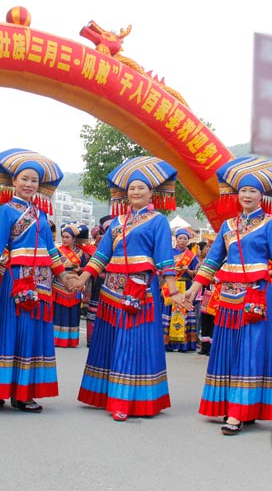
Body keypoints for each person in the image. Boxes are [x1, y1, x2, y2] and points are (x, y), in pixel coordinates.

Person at [184, 156, 272, 435]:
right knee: (228, 348)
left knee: (250, 350)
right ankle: (230, 405)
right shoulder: (228, 226)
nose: (247, 195)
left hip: (255, 294)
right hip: (228, 296)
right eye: (243, 191)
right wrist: (192, 290)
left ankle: (239, 412)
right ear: (236, 195)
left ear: (262, 196)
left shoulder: (270, 225)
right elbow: (212, 261)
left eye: (253, 191)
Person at [73, 156, 188, 422]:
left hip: (141, 290)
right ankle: (105, 395)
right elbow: (101, 255)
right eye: (132, 188)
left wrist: (173, 290)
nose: (135, 192)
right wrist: (82, 279)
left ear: (152, 194)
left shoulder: (158, 220)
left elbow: (164, 258)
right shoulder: (117, 222)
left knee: (132, 343)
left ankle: (125, 400)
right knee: (111, 341)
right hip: (111, 289)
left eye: (141, 188)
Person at [0, 148, 72, 413]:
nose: (29, 184)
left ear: (40, 186)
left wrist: (65, 278)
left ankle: (22, 392)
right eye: (24, 179)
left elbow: (51, 251)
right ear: (13, 182)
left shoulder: (41, 215)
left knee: (32, 334)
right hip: (16, 279)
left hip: (42, 282)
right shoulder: (5, 211)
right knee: (11, 330)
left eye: (34, 181)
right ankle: (0, 387)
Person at [52, 222, 89, 348]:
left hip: (75, 284)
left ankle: (70, 340)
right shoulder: (57, 250)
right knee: (59, 312)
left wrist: (79, 269)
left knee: (73, 313)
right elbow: (53, 266)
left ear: (74, 239)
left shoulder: (80, 253)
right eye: (63, 236)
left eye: (67, 237)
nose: (64, 239)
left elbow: (85, 268)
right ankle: (57, 339)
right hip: (59, 283)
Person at [164, 228, 199, 352]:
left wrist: (187, 270)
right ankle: (168, 343)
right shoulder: (169, 252)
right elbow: (163, 268)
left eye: (185, 239)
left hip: (186, 285)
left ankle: (184, 344)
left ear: (188, 241)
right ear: (176, 239)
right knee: (169, 313)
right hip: (172, 285)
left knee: (185, 313)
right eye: (180, 238)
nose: (182, 241)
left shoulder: (192, 256)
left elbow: (196, 273)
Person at [85, 215, 112, 348]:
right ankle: (92, 338)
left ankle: (106, 339)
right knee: (95, 308)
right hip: (99, 280)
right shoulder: (98, 246)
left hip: (114, 279)